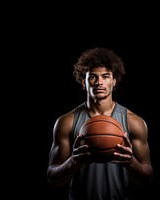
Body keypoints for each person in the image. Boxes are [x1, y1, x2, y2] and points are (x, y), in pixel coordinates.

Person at [47, 47, 153, 200]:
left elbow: (146, 178)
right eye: (92, 77)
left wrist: (131, 162)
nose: (99, 82)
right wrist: (73, 162)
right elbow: (52, 179)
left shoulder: (134, 122)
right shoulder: (66, 122)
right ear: (84, 80)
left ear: (114, 80)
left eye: (105, 76)